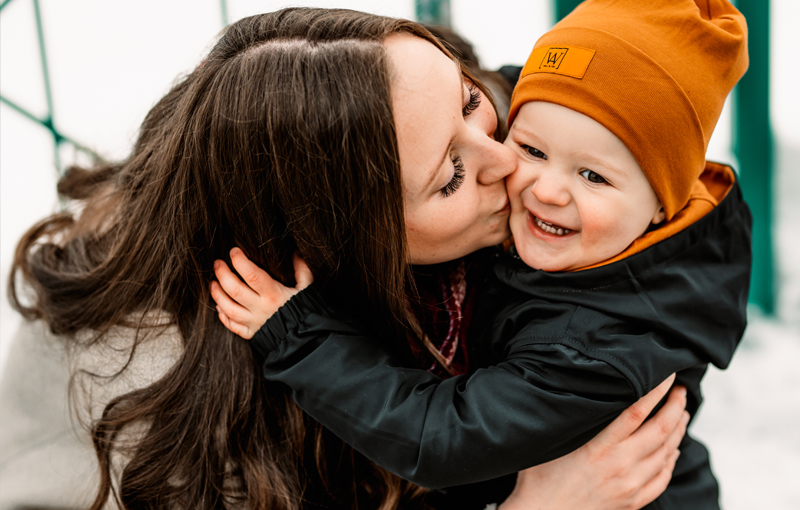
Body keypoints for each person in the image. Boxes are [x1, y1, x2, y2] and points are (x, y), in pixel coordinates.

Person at [2, 7, 688, 510]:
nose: (507, 160)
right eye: (449, 176)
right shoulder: (167, 395)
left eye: (469, 102)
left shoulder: (477, 120)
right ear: (338, 242)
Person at [210, 0, 751, 508]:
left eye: (592, 176)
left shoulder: (597, 346)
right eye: (532, 147)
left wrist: (305, 343)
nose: (542, 187)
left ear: (661, 205)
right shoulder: (589, 184)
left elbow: (443, 437)